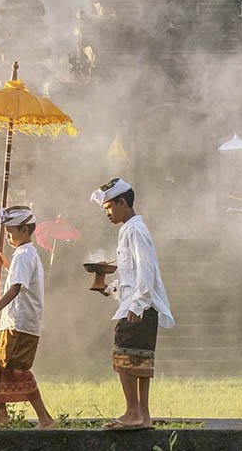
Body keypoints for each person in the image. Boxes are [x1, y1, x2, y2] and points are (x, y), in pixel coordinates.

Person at [91, 178, 174, 430]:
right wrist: (110, 288)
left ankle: (132, 413)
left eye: (109, 208)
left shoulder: (135, 230)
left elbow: (146, 269)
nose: (107, 213)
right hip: (136, 304)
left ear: (122, 202)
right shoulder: (127, 230)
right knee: (138, 360)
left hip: (140, 307)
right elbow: (131, 275)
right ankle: (142, 416)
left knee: (125, 356)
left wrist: (138, 304)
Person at [0, 206, 55, 429]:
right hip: (14, 323)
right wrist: (6, 264)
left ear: (25, 230)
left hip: (19, 324)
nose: (8, 236)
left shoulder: (24, 254)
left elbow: (16, 288)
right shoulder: (25, 255)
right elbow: (20, 279)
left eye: (11, 231)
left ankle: (45, 418)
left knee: (16, 370)